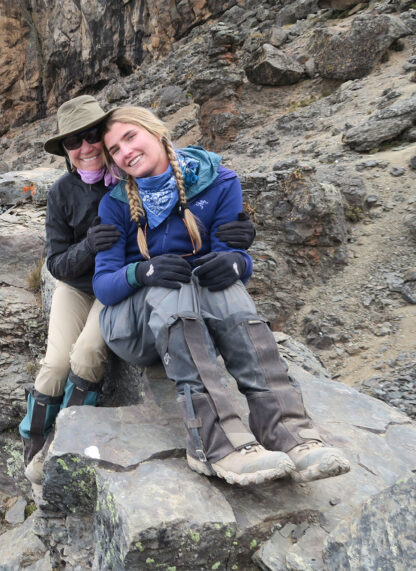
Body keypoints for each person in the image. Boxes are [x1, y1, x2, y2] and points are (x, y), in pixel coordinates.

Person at [92, 105, 350, 485]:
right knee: (173, 284)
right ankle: (214, 443)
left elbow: (237, 256)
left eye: (130, 137)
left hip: (196, 312)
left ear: (158, 132)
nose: (125, 152)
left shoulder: (219, 181)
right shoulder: (114, 204)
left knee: (225, 287)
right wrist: (142, 270)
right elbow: (104, 285)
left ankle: (288, 431)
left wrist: (234, 265)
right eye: (114, 149)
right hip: (133, 327)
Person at [17, 96, 258, 485]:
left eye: (92, 136)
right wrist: (90, 246)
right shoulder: (63, 193)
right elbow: (56, 263)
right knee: (54, 365)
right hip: (79, 287)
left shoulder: (139, 177)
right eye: (72, 142)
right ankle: (33, 439)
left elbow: (183, 222)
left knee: (87, 355)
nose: (84, 148)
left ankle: (60, 445)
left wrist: (241, 237)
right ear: (65, 152)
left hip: (120, 289)